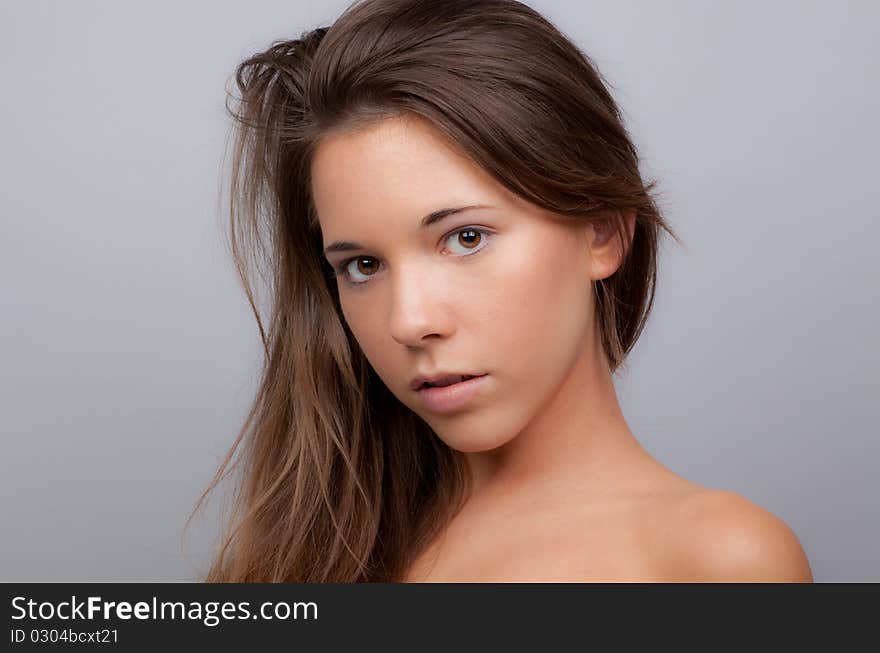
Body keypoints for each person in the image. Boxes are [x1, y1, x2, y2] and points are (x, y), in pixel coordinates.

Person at [189, 0, 813, 582]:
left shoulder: (717, 561)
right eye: (362, 266)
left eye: (465, 238)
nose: (410, 321)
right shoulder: (308, 553)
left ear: (602, 232)